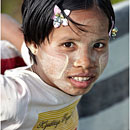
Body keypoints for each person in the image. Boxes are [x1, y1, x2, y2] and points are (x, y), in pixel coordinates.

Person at [1, 0, 117, 129]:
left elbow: (3, 22)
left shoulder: (51, 64)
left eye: (98, 45)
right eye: (68, 45)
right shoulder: (14, 96)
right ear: (34, 45)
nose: (86, 62)